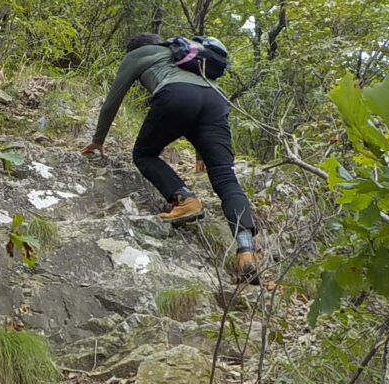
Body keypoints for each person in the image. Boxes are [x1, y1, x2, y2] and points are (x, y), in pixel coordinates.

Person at [80, 33, 264, 283]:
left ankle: (185, 199)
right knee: (224, 175)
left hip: (176, 96)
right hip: (216, 101)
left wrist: (98, 138)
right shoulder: (186, 53)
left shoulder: (138, 54)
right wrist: (202, 152)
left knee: (144, 154)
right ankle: (246, 252)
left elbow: (114, 98)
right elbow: (200, 94)